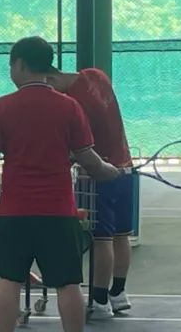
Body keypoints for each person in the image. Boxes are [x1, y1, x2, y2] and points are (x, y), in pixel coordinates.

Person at [0, 36, 126, 332]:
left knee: (9, 280)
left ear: (20, 64)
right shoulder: (69, 107)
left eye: (11, 65)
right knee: (68, 284)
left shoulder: (1, 107)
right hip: (59, 213)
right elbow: (88, 158)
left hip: (14, 212)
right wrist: (111, 172)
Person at [47, 66, 134, 318]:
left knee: (101, 238)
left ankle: (99, 300)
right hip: (126, 169)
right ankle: (118, 294)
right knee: (121, 235)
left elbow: (80, 149)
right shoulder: (96, 75)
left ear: (51, 78)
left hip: (98, 174)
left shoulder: (73, 104)